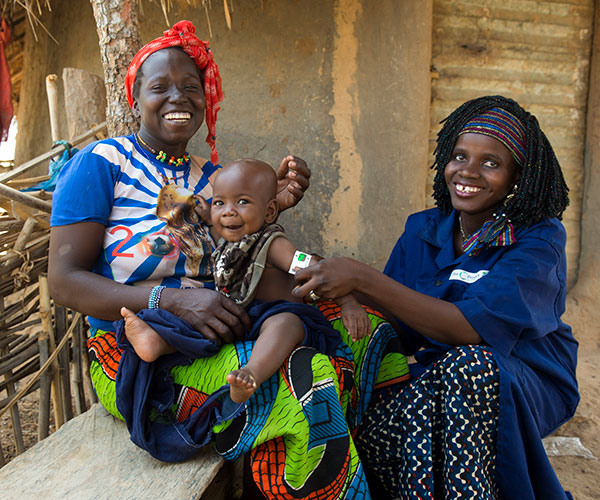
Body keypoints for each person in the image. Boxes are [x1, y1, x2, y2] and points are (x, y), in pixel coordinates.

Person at [48, 20, 409, 500]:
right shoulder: (99, 164)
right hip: (135, 348)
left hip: (224, 325)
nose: (178, 97)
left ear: (206, 100)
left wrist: (273, 207)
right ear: (135, 97)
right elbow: (64, 282)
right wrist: (169, 300)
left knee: (372, 338)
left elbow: (259, 254)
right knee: (307, 378)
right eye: (160, 87)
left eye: (191, 88)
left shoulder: (217, 180)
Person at [293, 95, 579, 499]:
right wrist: (346, 298)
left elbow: (469, 330)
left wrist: (362, 277)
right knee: (371, 428)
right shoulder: (424, 230)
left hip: (526, 379)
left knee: (469, 365)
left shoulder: (537, 239)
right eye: (459, 156)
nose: (468, 172)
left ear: (518, 177)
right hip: (440, 377)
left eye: (491, 163)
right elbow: (394, 328)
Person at [120, 158, 370, 404]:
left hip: (279, 312)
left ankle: (251, 374)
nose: (228, 211)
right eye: (220, 203)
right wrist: (210, 217)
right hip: (240, 317)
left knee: (286, 324)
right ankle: (158, 341)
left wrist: (347, 300)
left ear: (270, 211)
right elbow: (220, 228)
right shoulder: (229, 243)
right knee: (198, 322)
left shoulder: (273, 245)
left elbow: (315, 270)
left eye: (242, 202)